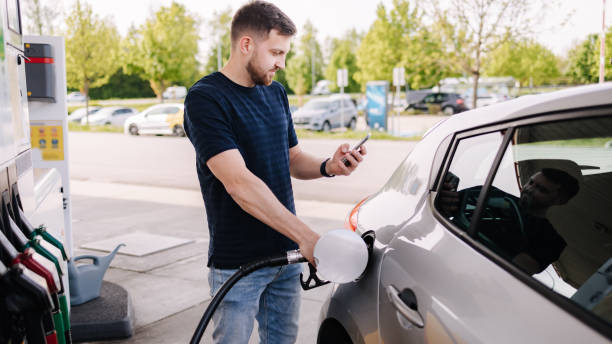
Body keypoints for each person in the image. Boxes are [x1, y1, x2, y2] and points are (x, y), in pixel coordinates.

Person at [182, 2, 366, 343]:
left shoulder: (275, 92)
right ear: (246, 44)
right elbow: (239, 183)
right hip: (239, 264)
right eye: (276, 52)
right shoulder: (206, 99)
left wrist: (329, 166)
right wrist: (307, 237)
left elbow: (293, 158)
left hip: (287, 259)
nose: (281, 63)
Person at [439, 168, 579, 275]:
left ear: (559, 201)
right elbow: (446, 208)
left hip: (474, 277)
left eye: (542, 190)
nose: (530, 190)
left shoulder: (552, 240)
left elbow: (519, 270)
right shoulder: (488, 193)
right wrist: (444, 201)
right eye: (531, 182)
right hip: (441, 255)